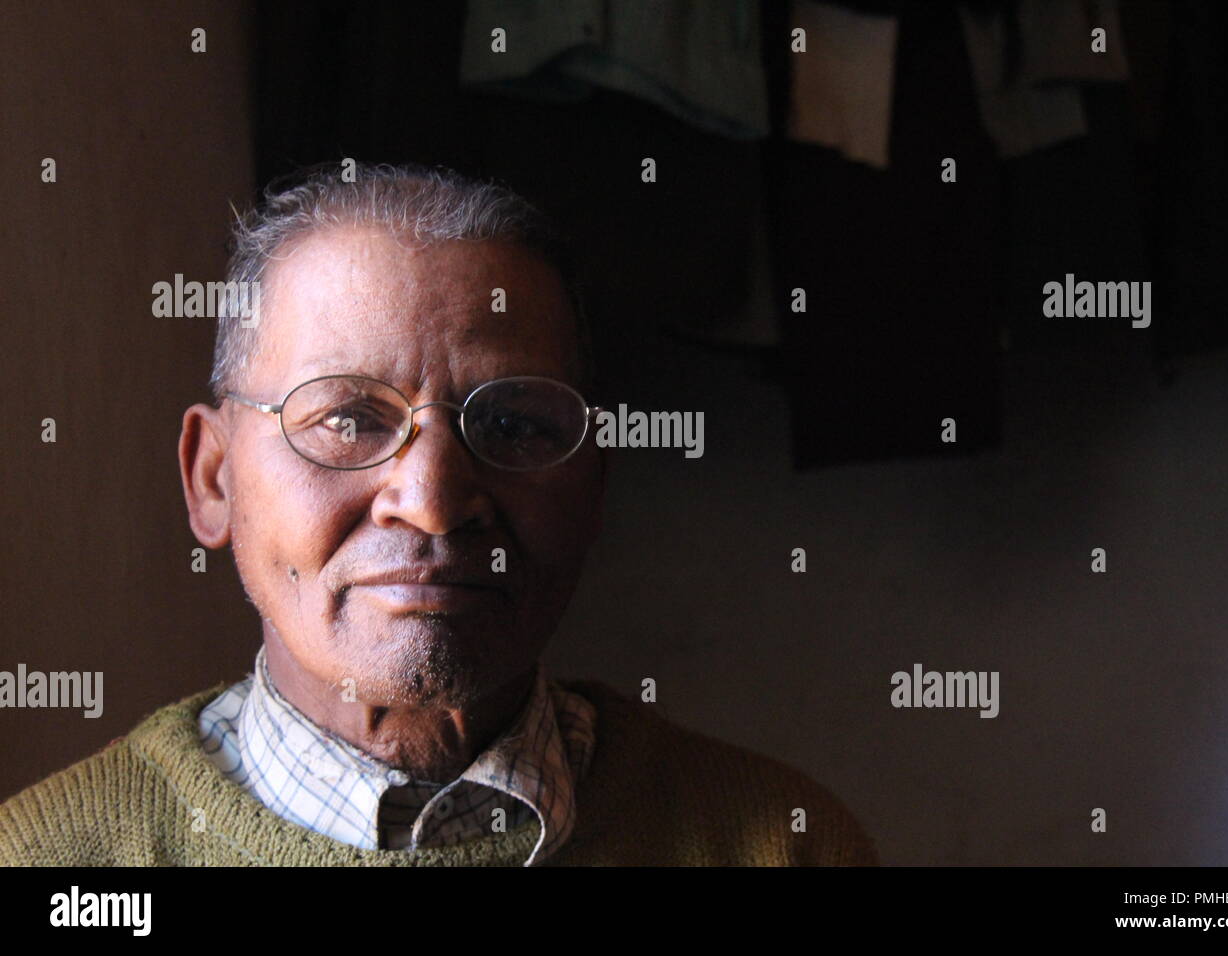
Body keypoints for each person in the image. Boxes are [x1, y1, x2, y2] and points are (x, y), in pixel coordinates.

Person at [0, 163, 877, 866]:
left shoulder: (780, 844)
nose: (430, 501)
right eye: (346, 420)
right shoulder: (54, 862)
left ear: (594, 481)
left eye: (511, 424)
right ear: (215, 478)